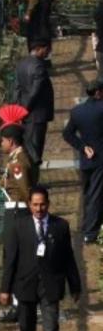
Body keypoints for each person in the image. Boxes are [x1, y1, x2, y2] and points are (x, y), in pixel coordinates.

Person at [0, 186, 82, 331]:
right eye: (35, 205)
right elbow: (10, 259)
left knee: (51, 329)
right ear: (29, 205)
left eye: (42, 204)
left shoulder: (60, 226)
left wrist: (75, 285)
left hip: (50, 286)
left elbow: (68, 258)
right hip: (25, 285)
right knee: (26, 327)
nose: (39, 209)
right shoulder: (18, 226)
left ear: (48, 204)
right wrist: (5, 289)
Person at [0, 111, 38, 324]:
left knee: (12, 257)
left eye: (3, 141)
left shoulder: (17, 161)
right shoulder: (16, 159)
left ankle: (17, 303)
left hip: (17, 212)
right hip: (16, 209)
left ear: (11, 141)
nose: (1, 144)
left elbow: (24, 188)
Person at [61, 78, 103, 244]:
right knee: (96, 195)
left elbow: (67, 134)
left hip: (86, 159)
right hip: (100, 159)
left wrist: (82, 146)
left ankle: (86, 225)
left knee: (87, 193)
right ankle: (90, 233)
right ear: (98, 92)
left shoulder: (77, 111)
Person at [15, 37, 55, 163]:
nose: (47, 53)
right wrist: (25, 110)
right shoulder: (39, 67)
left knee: (27, 145)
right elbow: (34, 92)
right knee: (35, 149)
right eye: (46, 50)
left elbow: (16, 89)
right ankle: (33, 173)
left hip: (24, 113)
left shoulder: (21, 64)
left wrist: (18, 109)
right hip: (36, 114)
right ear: (38, 49)